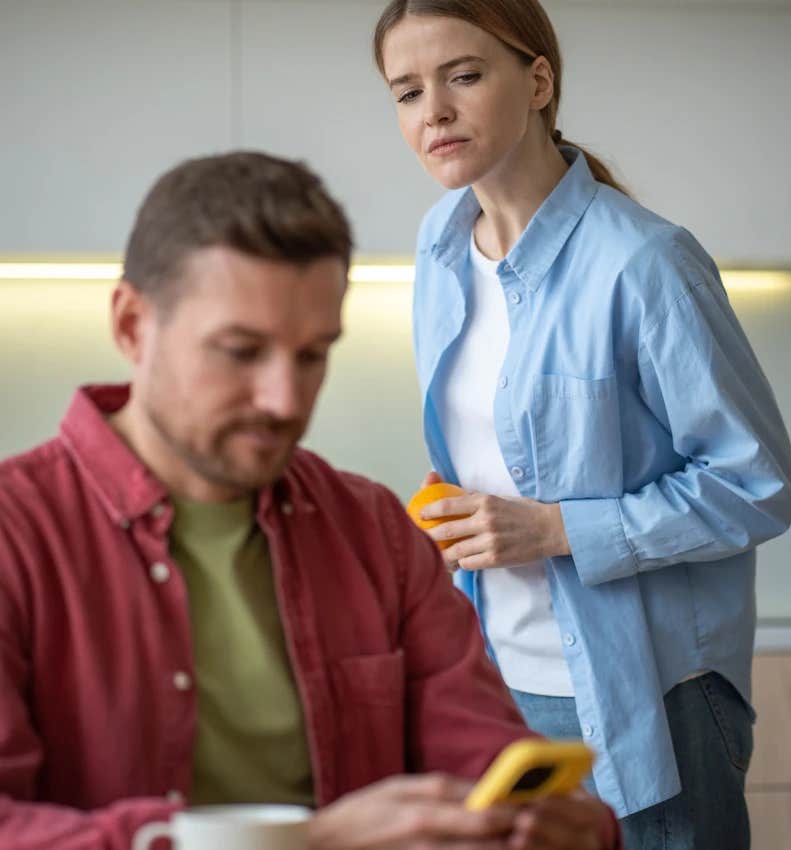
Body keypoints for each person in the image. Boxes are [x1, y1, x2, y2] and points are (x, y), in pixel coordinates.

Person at [0, 152, 622, 850]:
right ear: (131, 325)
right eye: (241, 351)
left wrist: (548, 826)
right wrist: (305, 843)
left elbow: (481, 752)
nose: (285, 401)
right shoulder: (15, 536)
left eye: (312, 355)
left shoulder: (375, 532)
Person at [373, 1, 791, 848]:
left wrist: (554, 529)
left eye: (463, 76)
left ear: (538, 80)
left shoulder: (645, 262)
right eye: (407, 91)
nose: (435, 113)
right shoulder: (437, 247)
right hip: (495, 674)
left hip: (652, 690)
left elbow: (756, 488)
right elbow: (498, 457)